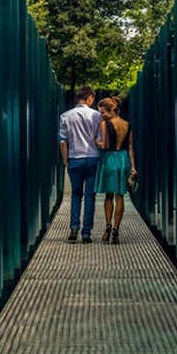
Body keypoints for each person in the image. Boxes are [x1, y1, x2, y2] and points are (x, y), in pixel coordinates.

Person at [59, 86, 102, 243]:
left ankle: (73, 228)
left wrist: (66, 159)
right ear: (90, 97)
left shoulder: (66, 116)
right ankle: (86, 233)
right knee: (90, 196)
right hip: (92, 158)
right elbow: (100, 139)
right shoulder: (97, 115)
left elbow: (63, 141)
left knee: (76, 195)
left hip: (74, 158)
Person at [93, 97, 136, 245]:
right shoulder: (127, 124)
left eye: (103, 112)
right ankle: (117, 230)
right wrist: (133, 166)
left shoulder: (104, 124)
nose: (102, 115)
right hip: (123, 159)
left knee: (108, 196)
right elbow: (130, 146)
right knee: (120, 196)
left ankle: (108, 227)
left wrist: (95, 141)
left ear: (112, 110)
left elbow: (104, 145)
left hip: (109, 159)